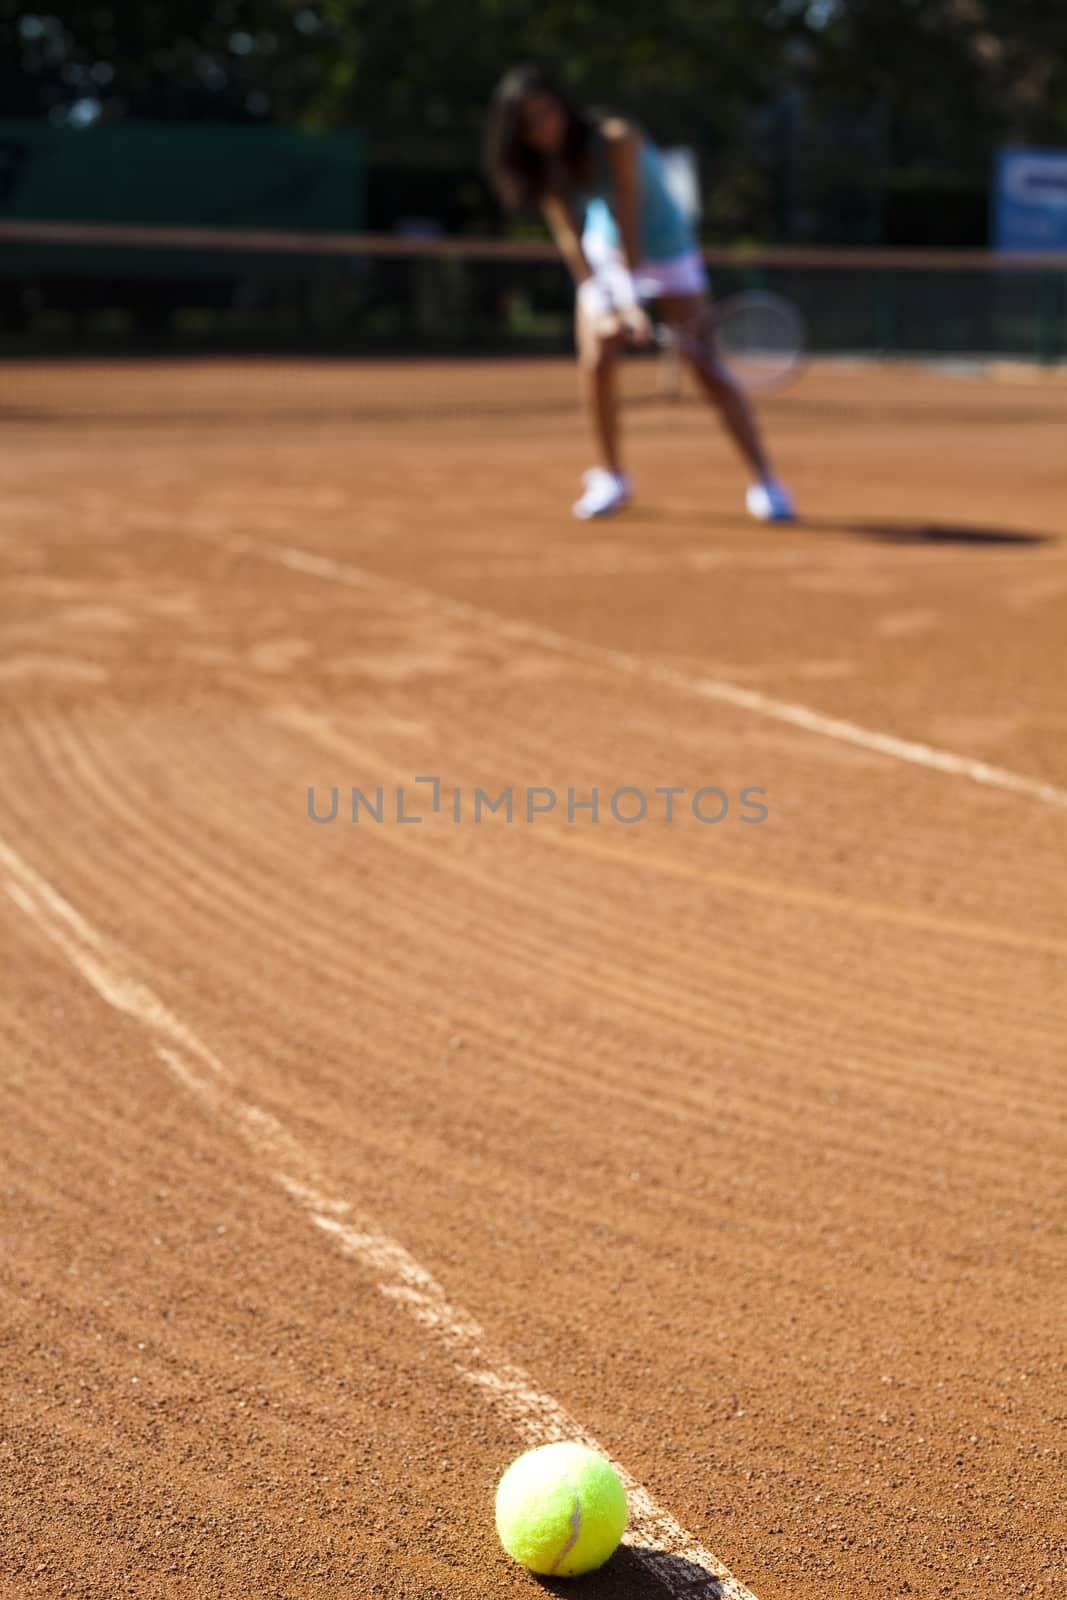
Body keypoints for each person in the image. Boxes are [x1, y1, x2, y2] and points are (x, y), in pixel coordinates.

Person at [486, 63, 796, 523]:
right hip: (605, 252)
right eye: (530, 122)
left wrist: (632, 297)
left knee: (707, 369)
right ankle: (611, 476)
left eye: (547, 112)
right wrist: (602, 293)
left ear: (563, 106)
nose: (543, 126)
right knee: (596, 361)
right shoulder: (544, 165)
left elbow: (627, 214)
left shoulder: (617, 137)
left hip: (668, 252)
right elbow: (571, 235)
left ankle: (766, 480)